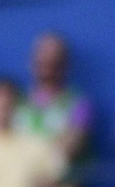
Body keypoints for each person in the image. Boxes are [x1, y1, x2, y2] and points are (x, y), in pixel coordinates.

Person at [16, 32, 93, 165]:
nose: (47, 61)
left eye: (54, 59)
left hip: (58, 181)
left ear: (65, 64)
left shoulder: (79, 104)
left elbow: (67, 150)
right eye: (42, 55)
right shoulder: (16, 102)